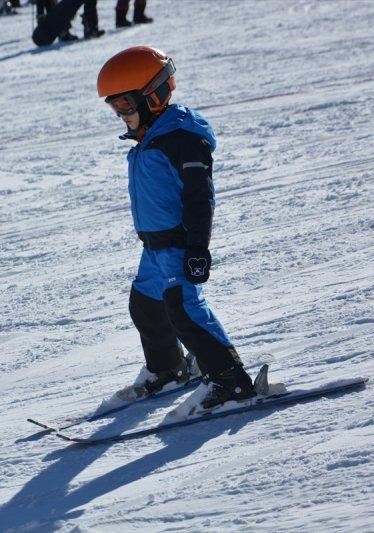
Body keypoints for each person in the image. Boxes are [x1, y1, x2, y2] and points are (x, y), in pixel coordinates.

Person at [96, 46, 255, 410]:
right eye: (114, 107)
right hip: (153, 246)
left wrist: (198, 247)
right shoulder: (151, 137)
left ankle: (233, 383)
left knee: (184, 310)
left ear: (153, 96)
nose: (120, 116)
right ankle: (169, 369)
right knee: (146, 306)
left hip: (179, 244)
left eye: (125, 105)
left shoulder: (182, 138)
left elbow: (201, 198)